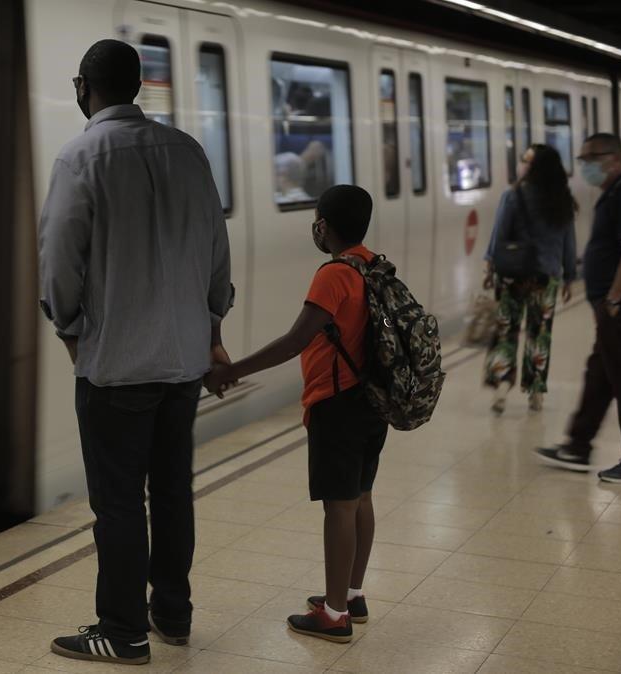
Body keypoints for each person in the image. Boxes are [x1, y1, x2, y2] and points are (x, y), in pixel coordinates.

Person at [38, 39, 234, 665]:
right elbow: (216, 252)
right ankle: (172, 612)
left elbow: (58, 267)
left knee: (119, 501)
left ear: (82, 88)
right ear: (140, 86)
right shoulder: (188, 151)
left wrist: (69, 329)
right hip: (183, 363)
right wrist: (212, 325)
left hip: (116, 366)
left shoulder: (79, 158)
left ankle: (121, 631)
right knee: (172, 490)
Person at [207, 185, 385, 644]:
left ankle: (334, 614)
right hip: (371, 403)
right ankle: (352, 594)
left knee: (339, 507)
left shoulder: (333, 275)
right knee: (361, 497)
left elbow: (294, 341)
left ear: (323, 226)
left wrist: (232, 372)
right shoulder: (372, 266)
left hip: (337, 403)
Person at [536, 133, 621, 484]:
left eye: (589, 158)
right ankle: (578, 444)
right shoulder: (616, 192)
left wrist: (613, 298)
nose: (583, 164)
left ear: (613, 159)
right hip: (618, 304)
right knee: (600, 372)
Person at [482, 144, 577, 414]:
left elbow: (499, 236)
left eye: (526, 160)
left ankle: (502, 387)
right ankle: (536, 393)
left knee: (506, 332)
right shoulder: (562, 198)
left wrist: (490, 267)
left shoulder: (513, 195)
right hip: (546, 278)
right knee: (540, 334)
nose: (521, 164)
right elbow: (568, 242)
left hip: (512, 275)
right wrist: (569, 276)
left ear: (534, 167)